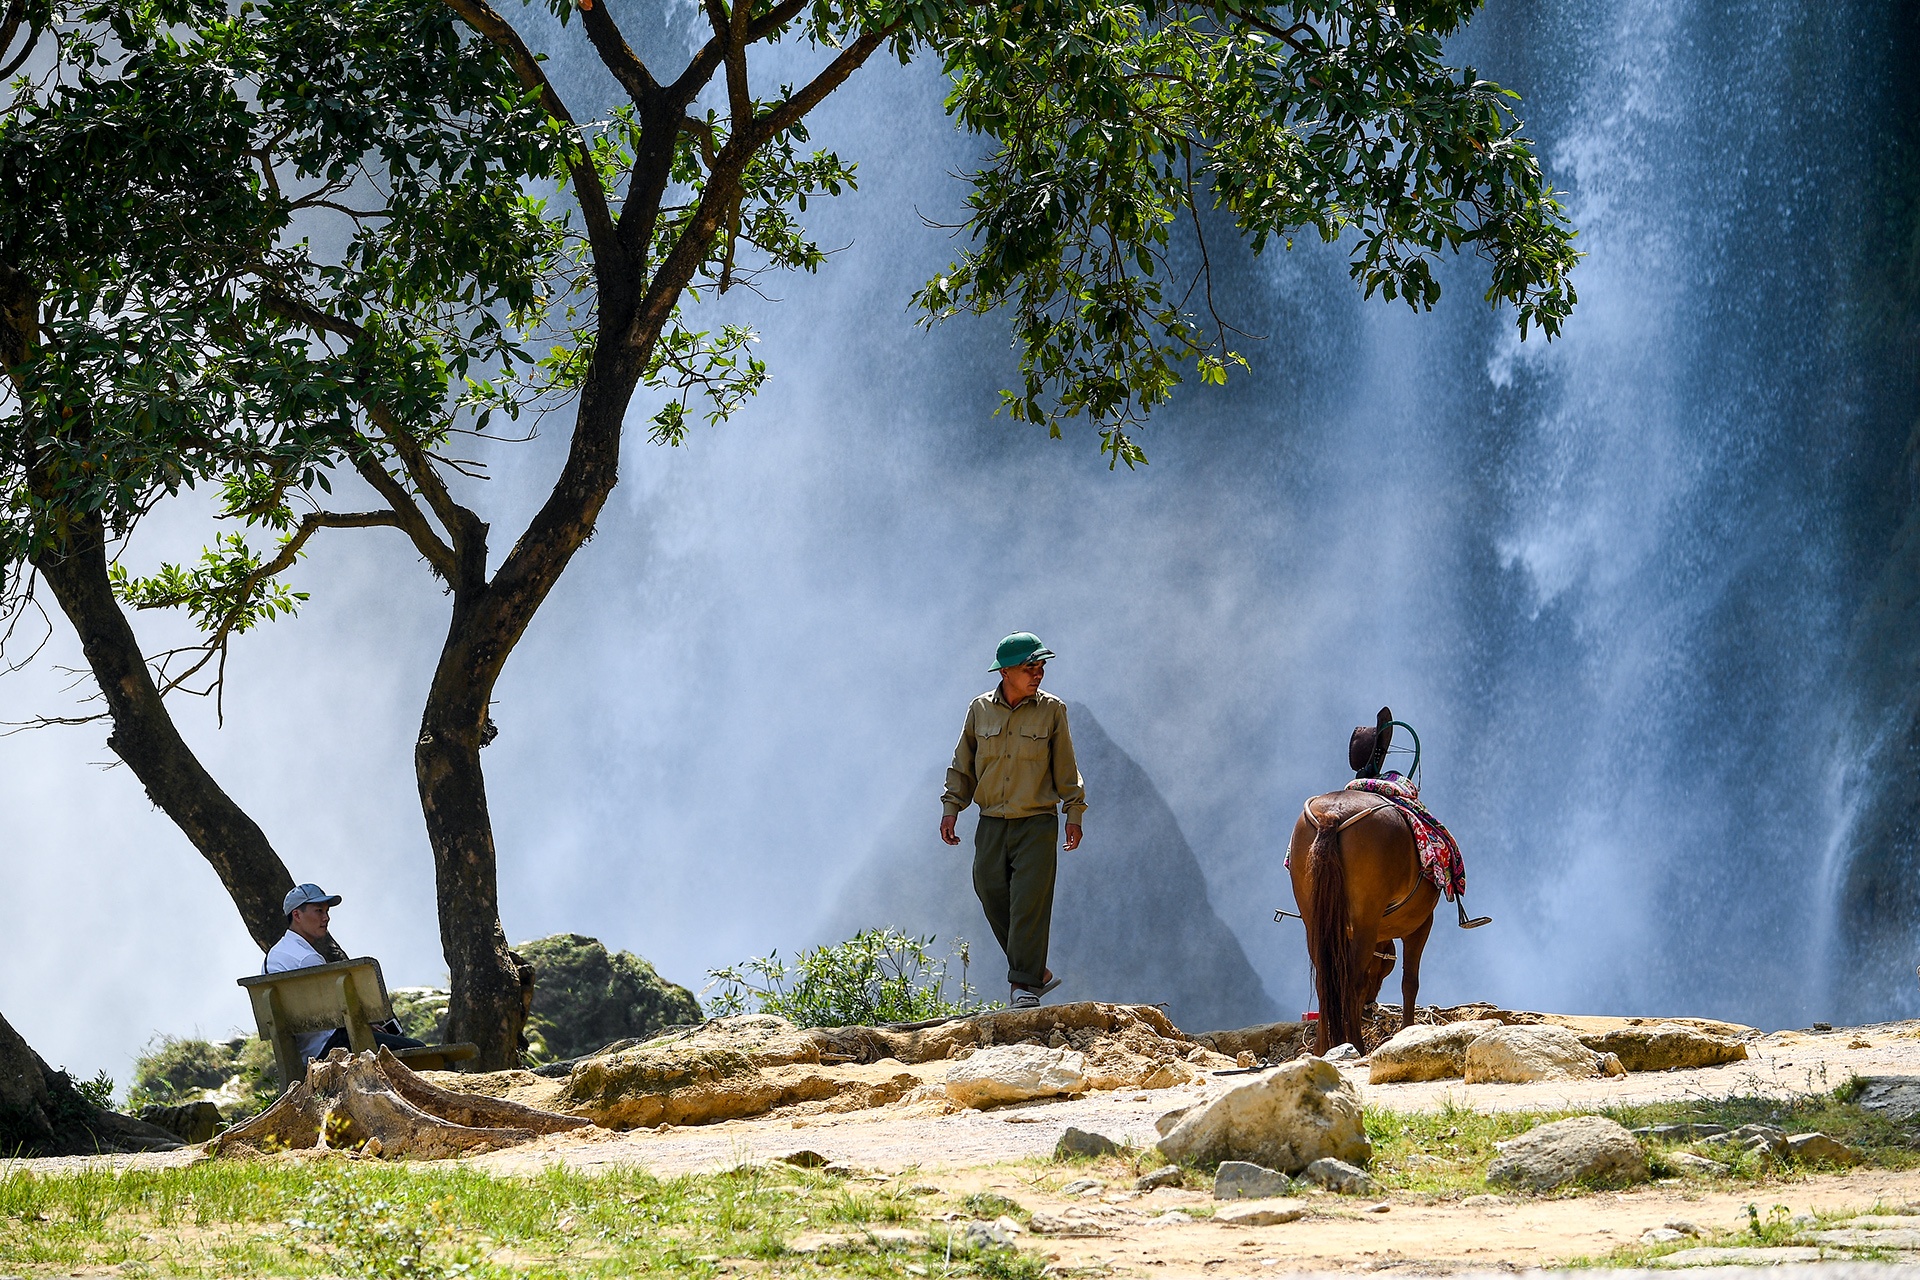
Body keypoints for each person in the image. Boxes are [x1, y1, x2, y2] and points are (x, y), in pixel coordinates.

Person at [940, 633, 1087, 1009]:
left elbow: (1066, 767)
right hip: (991, 822)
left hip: (1036, 823)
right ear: (1005, 671)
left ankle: (1023, 986)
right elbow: (963, 764)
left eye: (1040, 667)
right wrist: (951, 807)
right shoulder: (979, 710)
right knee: (988, 889)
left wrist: (1074, 812)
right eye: (1029, 667)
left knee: (1028, 902)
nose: (1037, 674)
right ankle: (1035, 970)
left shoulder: (1053, 711)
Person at [265, 883, 424, 1067]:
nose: (326, 918)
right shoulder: (307, 959)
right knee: (418, 1050)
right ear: (297, 914)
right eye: (318, 911)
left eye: (326, 912)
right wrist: (363, 1027)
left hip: (303, 1052)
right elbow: (330, 1017)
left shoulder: (274, 956)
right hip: (329, 1047)